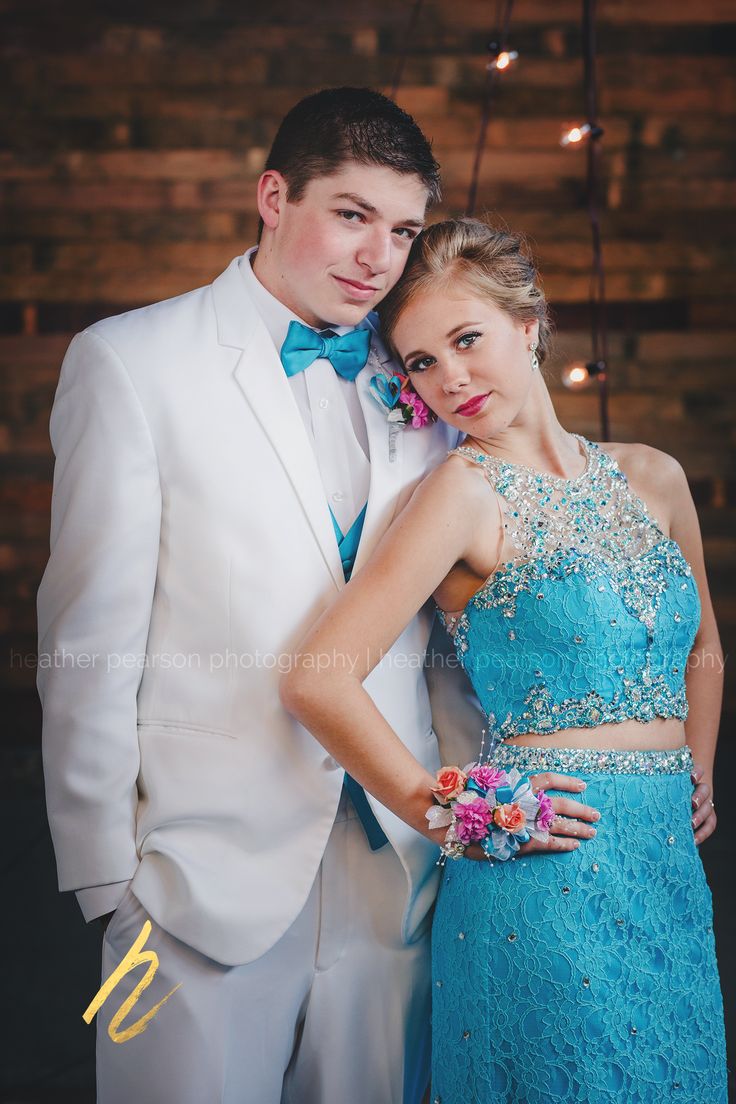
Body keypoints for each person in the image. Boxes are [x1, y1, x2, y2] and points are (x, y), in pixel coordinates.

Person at [36, 89, 602, 1104]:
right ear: (272, 196)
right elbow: (86, 637)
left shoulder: (424, 370)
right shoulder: (131, 364)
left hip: (402, 862)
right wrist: (107, 884)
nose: (378, 258)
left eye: (402, 229)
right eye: (350, 215)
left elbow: (463, 609)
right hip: (196, 875)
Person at [280, 218, 727, 1103]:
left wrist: (698, 769)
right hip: (542, 868)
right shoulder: (460, 494)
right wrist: (445, 806)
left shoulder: (655, 476)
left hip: (668, 866)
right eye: (419, 363)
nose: (451, 379)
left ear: (529, 325)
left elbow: (704, 646)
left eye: (466, 340)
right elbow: (316, 675)